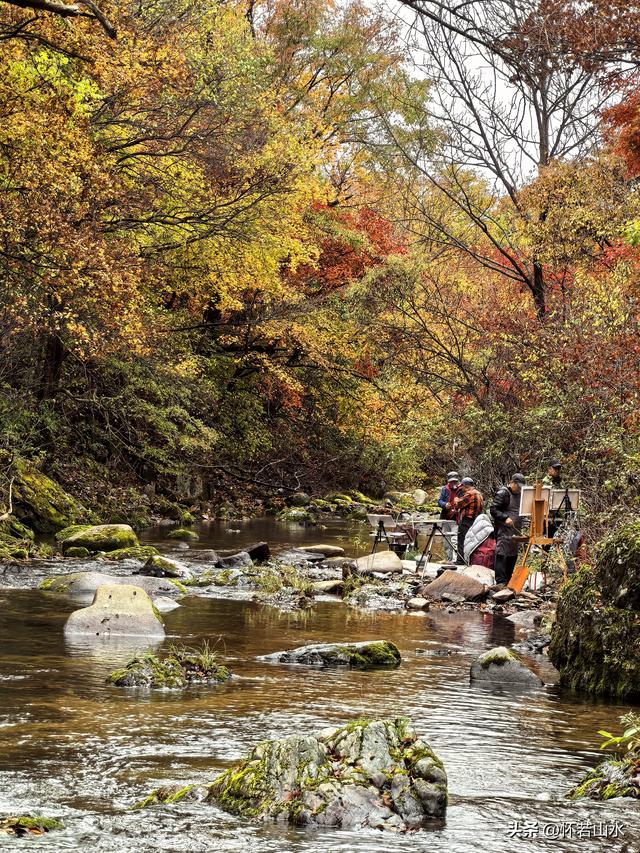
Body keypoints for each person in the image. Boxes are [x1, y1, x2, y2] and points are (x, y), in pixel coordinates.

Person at [490, 473, 525, 585]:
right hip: (503, 529)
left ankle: (509, 579)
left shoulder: (520, 494)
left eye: (521, 486)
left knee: (513, 553)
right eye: (518, 486)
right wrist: (505, 518)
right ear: (512, 483)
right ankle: (500, 581)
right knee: (502, 552)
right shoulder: (503, 493)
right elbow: (493, 510)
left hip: (515, 529)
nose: (519, 488)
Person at [454, 477, 483, 564]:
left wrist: (456, 499)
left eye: (462, 486)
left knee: (462, 540)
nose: (461, 488)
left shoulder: (470, 494)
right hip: (475, 520)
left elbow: (459, 504)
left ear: (465, 486)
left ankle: (460, 560)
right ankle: (470, 560)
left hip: (467, 520)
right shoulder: (478, 493)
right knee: (471, 541)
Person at [438, 471, 461, 561]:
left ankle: (456, 560)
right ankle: (448, 559)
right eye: (452, 482)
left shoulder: (461, 489)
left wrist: (458, 509)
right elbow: (439, 501)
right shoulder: (445, 489)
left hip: (456, 518)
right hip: (445, 517)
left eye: (455, 481)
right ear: (448, 481)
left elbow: (464, 502)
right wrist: (444, 504)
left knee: (455, 540)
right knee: (446, 540)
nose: (453, 484)